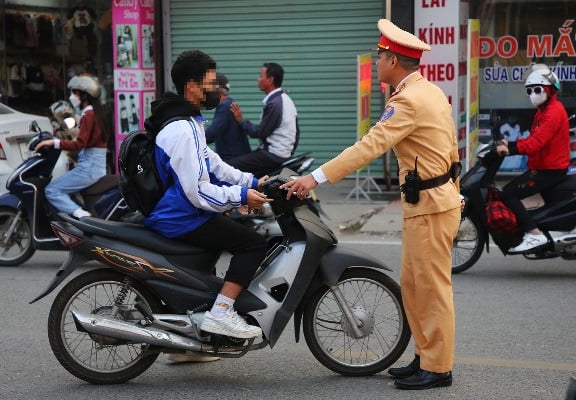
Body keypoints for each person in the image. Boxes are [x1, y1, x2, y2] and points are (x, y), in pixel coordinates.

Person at [280, 19, 461, 390]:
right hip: (427, 202)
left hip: (430, 205)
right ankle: (424, 357)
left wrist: (314, 178)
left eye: (380, 56)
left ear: (393, 60)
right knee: (413, 286)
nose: (377, 62)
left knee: (431, 289)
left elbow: (369, 147)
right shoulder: (429, 92)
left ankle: (438, 367)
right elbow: (451, 151)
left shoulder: (408, 101)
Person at [143, 49, 270, 339]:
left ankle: (194, 333)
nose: (216, 90)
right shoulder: (181, 129)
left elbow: (214, 163)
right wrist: (241, 196)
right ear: (192, 86)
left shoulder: (188, 121)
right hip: (178, 216)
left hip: (182, 210)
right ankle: (221, 312)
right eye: (211, 83)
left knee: (232, 231)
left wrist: (251, 182)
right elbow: (198, 192)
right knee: (252, 244)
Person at [496, 65, 570, 253]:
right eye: (530, 90)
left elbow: (537, 142)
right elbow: (532, 138)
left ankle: (533, 233)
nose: (533, 94)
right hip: (544, 166)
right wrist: (510, 142)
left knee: (508, 194)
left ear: (550, 90)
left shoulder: (552, 113)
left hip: (549, 170)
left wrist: (510, 149)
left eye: (538, 90)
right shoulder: (542, 111)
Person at [35, 75, 109, 219]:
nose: (72, 97)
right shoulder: (94, 112)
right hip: (94, 166)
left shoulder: (89, 114)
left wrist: (54, 143)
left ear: (84, 94)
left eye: (75, 93)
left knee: (52, 190)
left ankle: (83, 217)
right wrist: (61, 129)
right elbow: (77, 126)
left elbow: (79, 144)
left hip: (88, 168)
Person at [228, 62, 299, 177]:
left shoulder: (275, 104)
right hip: (281, 154)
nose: (258, 79)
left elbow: (260, 132)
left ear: (270, 80)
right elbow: (297, 133)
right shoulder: (285, 99)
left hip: (272, 155)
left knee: (229, 166)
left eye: (261, 76)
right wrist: (288, 152)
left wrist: (241, 120)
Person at [205, 73, 251, 161]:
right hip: (237, 156)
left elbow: (212, 133)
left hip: (231, 159)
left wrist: (196, 139)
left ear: (218, 89)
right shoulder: (229, 103)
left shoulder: (224, 106)